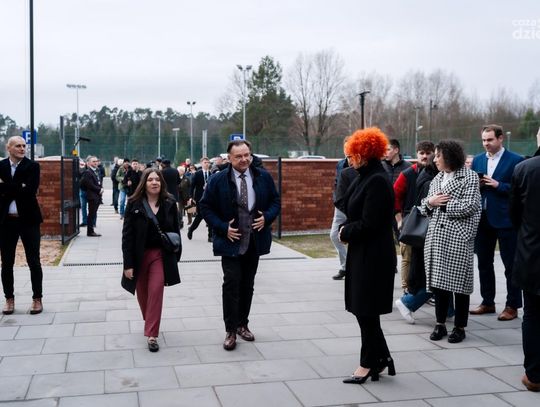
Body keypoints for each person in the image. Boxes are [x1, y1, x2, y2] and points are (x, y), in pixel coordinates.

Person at [199, 140, 280, 351]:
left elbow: (275, 201)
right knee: (231, 283)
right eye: (239, 156)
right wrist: (222, 227)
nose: (244, 159)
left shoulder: (262, 177)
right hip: (230, 242)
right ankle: (230, 330)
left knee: (247, 284)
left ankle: (243, 324)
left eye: (247, 155)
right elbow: (205, 207)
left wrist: (267, 218)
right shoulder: (218, 180)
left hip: (254, 241)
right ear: (229, 158)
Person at [338, 128, 396, 384]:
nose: (349, 160)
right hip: (363, 252)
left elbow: (370, 223)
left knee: (366, 310)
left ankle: (368, 363)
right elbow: (350, 207)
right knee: (364, 310)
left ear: (363, 155)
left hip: (374, 256)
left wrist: (345, 231)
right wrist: (346, 229)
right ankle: (381, 358)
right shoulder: (366, 176)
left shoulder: (377, 181)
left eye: (352, 155)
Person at [420, 140, 481, 343]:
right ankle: (440, 324)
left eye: (438, 155)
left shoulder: (469, 176)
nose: (434, 159)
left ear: (450, 156)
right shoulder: (438, 177)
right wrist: (430, 202)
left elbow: (471, 205)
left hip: (458, 238)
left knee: (460, 285)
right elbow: (425, 206)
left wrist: (443, 204)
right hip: (436, 238)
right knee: (439, 284)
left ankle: (460, 327)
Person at [121, 168, 181, 352]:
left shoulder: (170, 202)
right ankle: (150, 319)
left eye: (157, 179)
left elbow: (176, 231)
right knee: (142, 294)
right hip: (139, 256)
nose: (154, 182)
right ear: (144, 183)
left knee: (156, 290)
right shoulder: (134, 203)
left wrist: (176, 255)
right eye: (150, 180)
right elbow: (127, 236)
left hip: (160, 255)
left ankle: (152, 335)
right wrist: (128, 264)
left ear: (162, 182)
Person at [470, 125, 524, 320]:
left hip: (506, 219)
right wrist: (477, 184)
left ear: (500, 139)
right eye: (484, 140)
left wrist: (498, 185)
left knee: (511, 265)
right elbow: (470, 187)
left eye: (490, 140)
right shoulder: (477, 160)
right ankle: (487, 302)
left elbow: (520, 189)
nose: (486, 143)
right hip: (482, 219)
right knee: (484, 263)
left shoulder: (516, 160)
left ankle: (512, 306)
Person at [509, 129, 540, 392]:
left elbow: (514, 214)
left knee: (532, 314)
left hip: (533, 253)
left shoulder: (524, 169)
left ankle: (534, 375)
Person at [0, 136, 44, 315]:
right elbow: (22, 189)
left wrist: (5, 187)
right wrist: (19, 186)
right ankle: (9, 299)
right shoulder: (1, 166)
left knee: (34, 261)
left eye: (24, 145)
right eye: (18, 146)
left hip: (29, 220)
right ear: (9, 148)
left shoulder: (32, 166)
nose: (22, 148)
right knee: (6, 263)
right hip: (6, 221)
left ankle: (37, 299)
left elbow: (30, 191)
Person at [393, 141, 435, 293]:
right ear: (417, 154)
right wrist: (399, 220)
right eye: (421, 153)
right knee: (408, 257)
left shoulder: (438, 172)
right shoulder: (407, 174)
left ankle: (427, 291)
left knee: (428, 259)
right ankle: (408, 290)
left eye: (428, 153)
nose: (425, 156)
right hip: (410, 221)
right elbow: (394, 197)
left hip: (431, 222)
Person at [330, 143, 355, 281]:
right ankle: (345, 266)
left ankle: (351, 267)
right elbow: (337, 182)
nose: (346, 151)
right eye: (345, 148)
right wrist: (337, 198)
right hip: (340, 205)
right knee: (334, 235)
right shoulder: (340, 164)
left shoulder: (360, 164)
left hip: (355, 205)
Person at [187, 157, 212, 242]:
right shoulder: (197, 174)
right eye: (205, 162)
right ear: (201, 163)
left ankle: (210, 236)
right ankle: (191, 229)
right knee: (200, 216)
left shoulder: (211, 173)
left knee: (210, 216)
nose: (207, 164)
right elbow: (192, 186)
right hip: (199, 198)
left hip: (209, 198)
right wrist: (190, 197)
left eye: (208, 162)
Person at [80, 156, 104, 237]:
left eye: (96, 161)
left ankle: (91, 230)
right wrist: (99, 189)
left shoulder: (96, 171)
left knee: (93, 214)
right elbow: (89, 184)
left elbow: (98, 181)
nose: (96, 163)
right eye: (93, 161)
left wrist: (101, 188)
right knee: (91, 214)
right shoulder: (88, 172)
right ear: (89, 163)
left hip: (97, 195)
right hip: (92, 195)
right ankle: (90, 231)